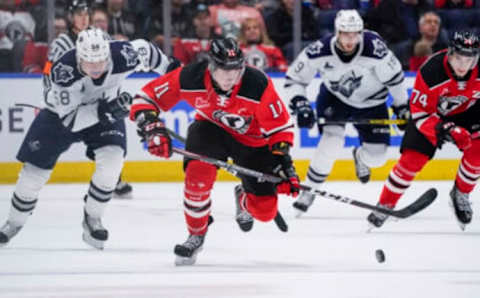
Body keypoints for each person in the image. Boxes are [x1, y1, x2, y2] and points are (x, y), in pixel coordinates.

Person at [130, 38, 300, 265]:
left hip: (253, 141)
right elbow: (146, 97)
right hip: (210, 130)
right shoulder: (191, 76)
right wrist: (151, 127)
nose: (231, 76)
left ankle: (244, 198)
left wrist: (284, 164)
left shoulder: (256, 83)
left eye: (236, 69)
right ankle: (196, 234)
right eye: (224, 69)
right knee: (197, 179)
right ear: (211, 66)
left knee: (265, 211)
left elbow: (280, 128)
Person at [0, 28, 174, 249]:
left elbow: (151, 53)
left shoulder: (123, 54)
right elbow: (71, 121)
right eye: (90, 63)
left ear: (108, 54)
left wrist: (173, 71)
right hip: (60, 116)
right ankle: (13, 223)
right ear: (79, 57)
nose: (96, 68)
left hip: (106, 110)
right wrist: (106, 112)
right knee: (33, 174)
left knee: (112, 164)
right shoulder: (64, 71)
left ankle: (93, 217)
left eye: (101, 61)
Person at [284, 9, 410, 216]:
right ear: (337, 32)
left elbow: (396, 80)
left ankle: (360, 157)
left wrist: (402, 106)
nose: (350, 40)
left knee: (377, 158)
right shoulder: (320, 50)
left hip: (373, 102)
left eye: (355, 34)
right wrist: (300, 104)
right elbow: (294, 79)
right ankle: (309, 190)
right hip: (335, 98)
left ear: (360, 32)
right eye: (345, 34)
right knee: (331, 141)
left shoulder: (376, 51)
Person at [367, 31, 480, 231]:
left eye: (469, 60)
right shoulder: (431, 71)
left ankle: (461, 193)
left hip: (470, 112)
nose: (464, 65)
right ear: (450, 53)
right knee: (412, 159)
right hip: (431, 116)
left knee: (478, 152)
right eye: (459, 58)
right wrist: (447, 128)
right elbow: (419, 114)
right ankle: (385, 203)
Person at [44, 0, 134, 198]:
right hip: (73, 103)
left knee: (112, 141)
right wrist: (50, 98)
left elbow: (111, 69)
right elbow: (49, 73)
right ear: (71, 17)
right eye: (78, 14)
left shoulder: (101, 37)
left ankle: (114, 179)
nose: (83, 17)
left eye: (86, 13)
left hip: (98, 101)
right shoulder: (61, 43)